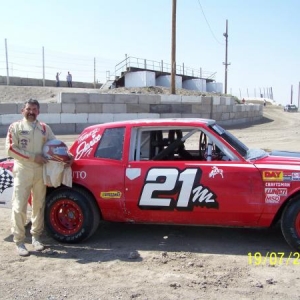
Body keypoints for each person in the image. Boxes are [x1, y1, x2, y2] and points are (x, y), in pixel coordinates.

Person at [5, 99, 56, 256]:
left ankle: (36, 237)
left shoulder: (44, 128)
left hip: (40, 171)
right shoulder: (16, 127)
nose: (31, 111)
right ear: (23, 110)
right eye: (28, 109)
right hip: (23, 170)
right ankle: (19, 241)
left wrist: (67, 156)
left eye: (34, 109)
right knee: (19, 205)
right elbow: (11, 149)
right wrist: (34, 157)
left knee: (38, 205)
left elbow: (55, 144)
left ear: (38, 112)